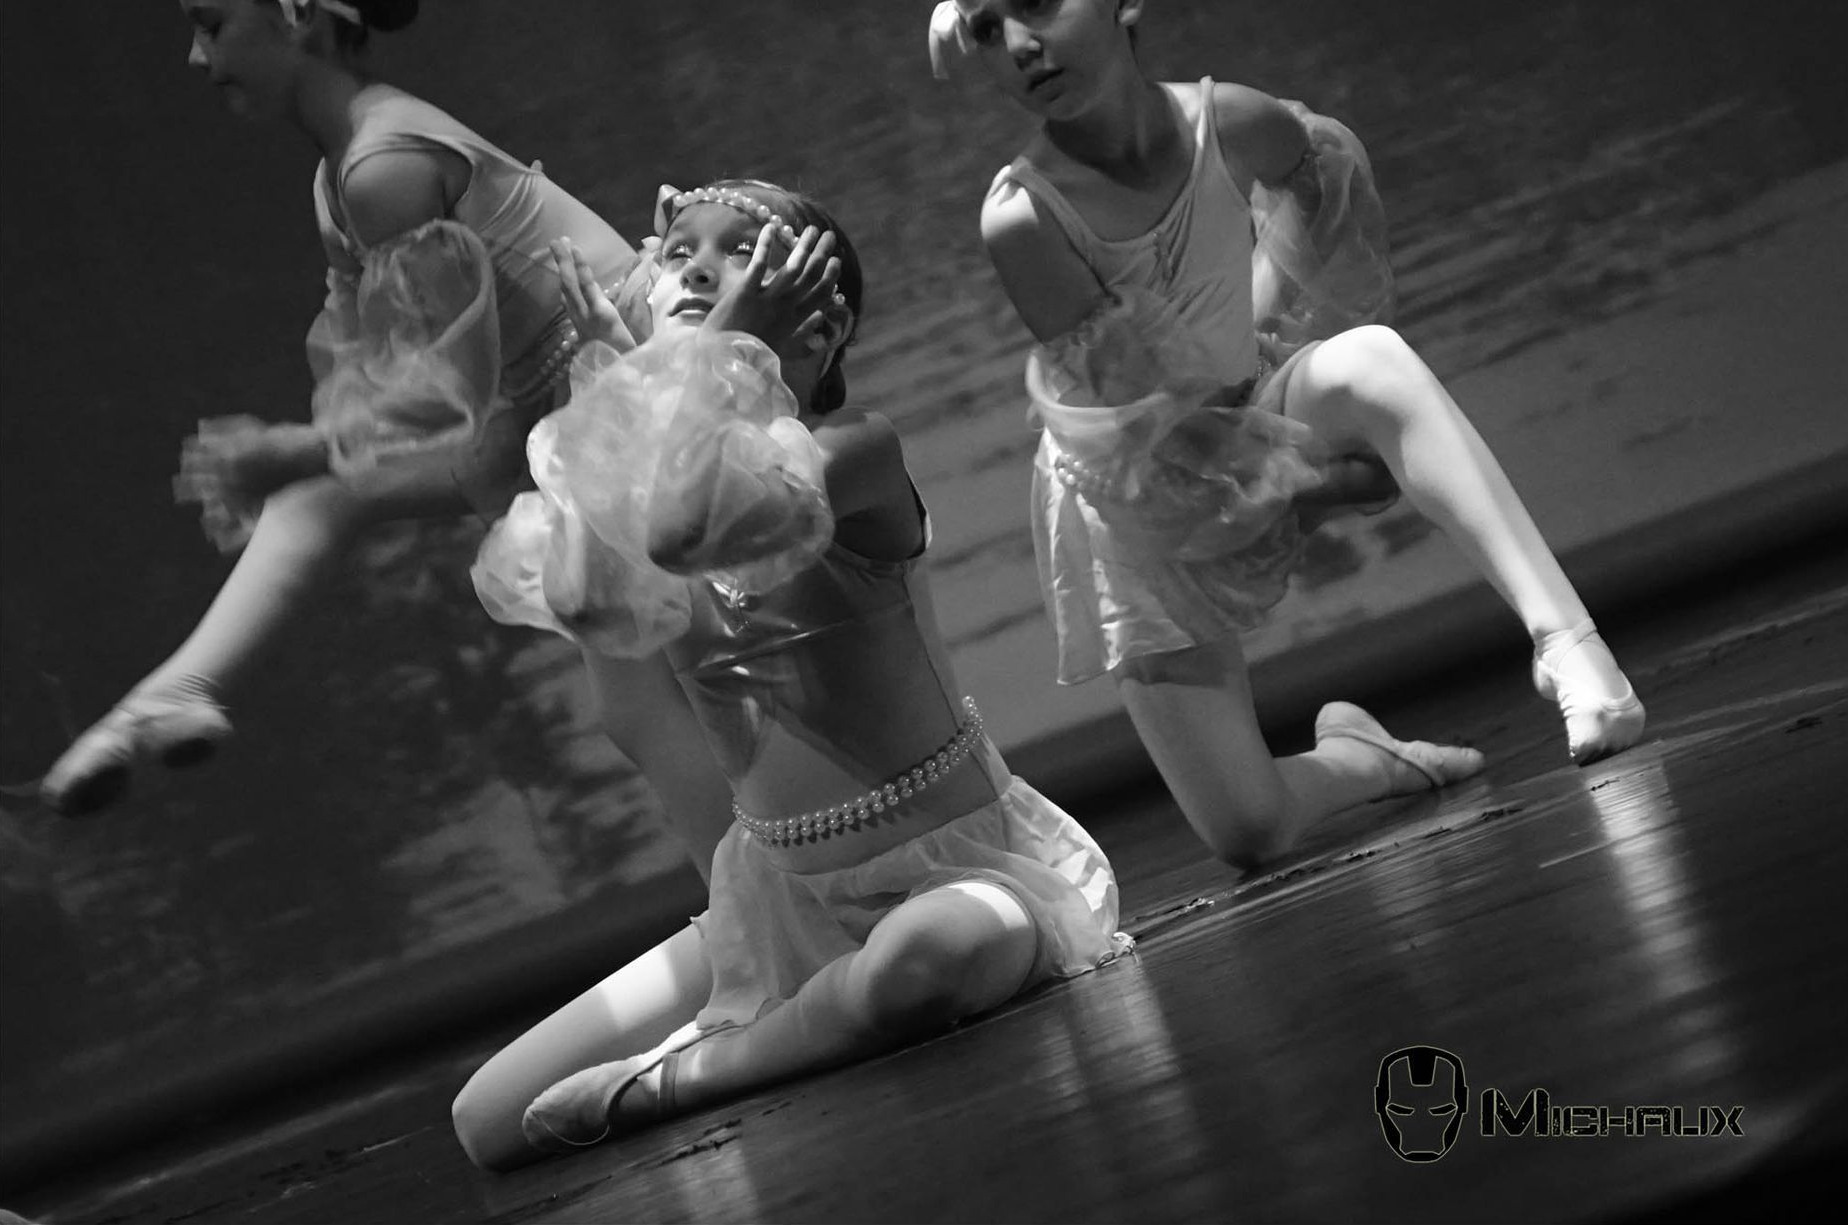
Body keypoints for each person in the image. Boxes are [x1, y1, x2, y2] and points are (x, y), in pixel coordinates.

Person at [453, 180, 1128, 1171]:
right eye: (677, 248)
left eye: (737, 254)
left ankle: (689, 1076)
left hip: (959, 874)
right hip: (778, 903)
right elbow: (595, 595)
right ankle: (782, 1029)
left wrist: (698, 352)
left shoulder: (856, 451)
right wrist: (618, 392)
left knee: (919, 962)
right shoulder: (640, 478)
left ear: (817, 328)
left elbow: (692, 525)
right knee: (489, 1114)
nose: (693, 265)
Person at [929, 0, 1646, 869]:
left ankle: (1568, 647)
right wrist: (1330, 483)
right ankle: (1362, 758)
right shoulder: (1023, 215)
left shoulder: (1231, 120)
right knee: (1250, 830)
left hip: (1241, 410)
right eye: (985, 28)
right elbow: (1159, 431)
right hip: (1135, 500)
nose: (1019, 45)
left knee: (1371, 360)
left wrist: (1264, 328)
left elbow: (1318, 177)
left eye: (1039, 4)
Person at [42, 0, 734, 870]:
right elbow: (366, 366)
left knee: (646, 697)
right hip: (549, 415)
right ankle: (171, 693)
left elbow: (446, 385)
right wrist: (293, 455)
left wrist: (293, 447)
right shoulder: (340, 180)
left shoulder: (384, 162)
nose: (194, 55)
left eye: (213, 24)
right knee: (320, 499)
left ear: (296, 15)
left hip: (628, 383)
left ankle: (759, 914)